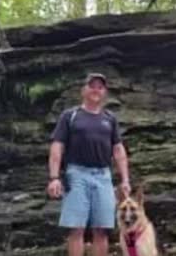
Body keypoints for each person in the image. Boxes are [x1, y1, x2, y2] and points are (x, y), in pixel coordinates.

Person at [47, 73, 131, 256]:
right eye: (92, 86)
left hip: (103, 176)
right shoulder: (70, 115)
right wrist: (54, 178)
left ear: (104, 92)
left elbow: (118, 150)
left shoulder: (110, 118)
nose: (96, 90)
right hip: (76, 174)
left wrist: (125, 180)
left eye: (100, 87)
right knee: (76, 228)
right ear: (83, 90)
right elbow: (57, 146)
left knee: (101, 229)